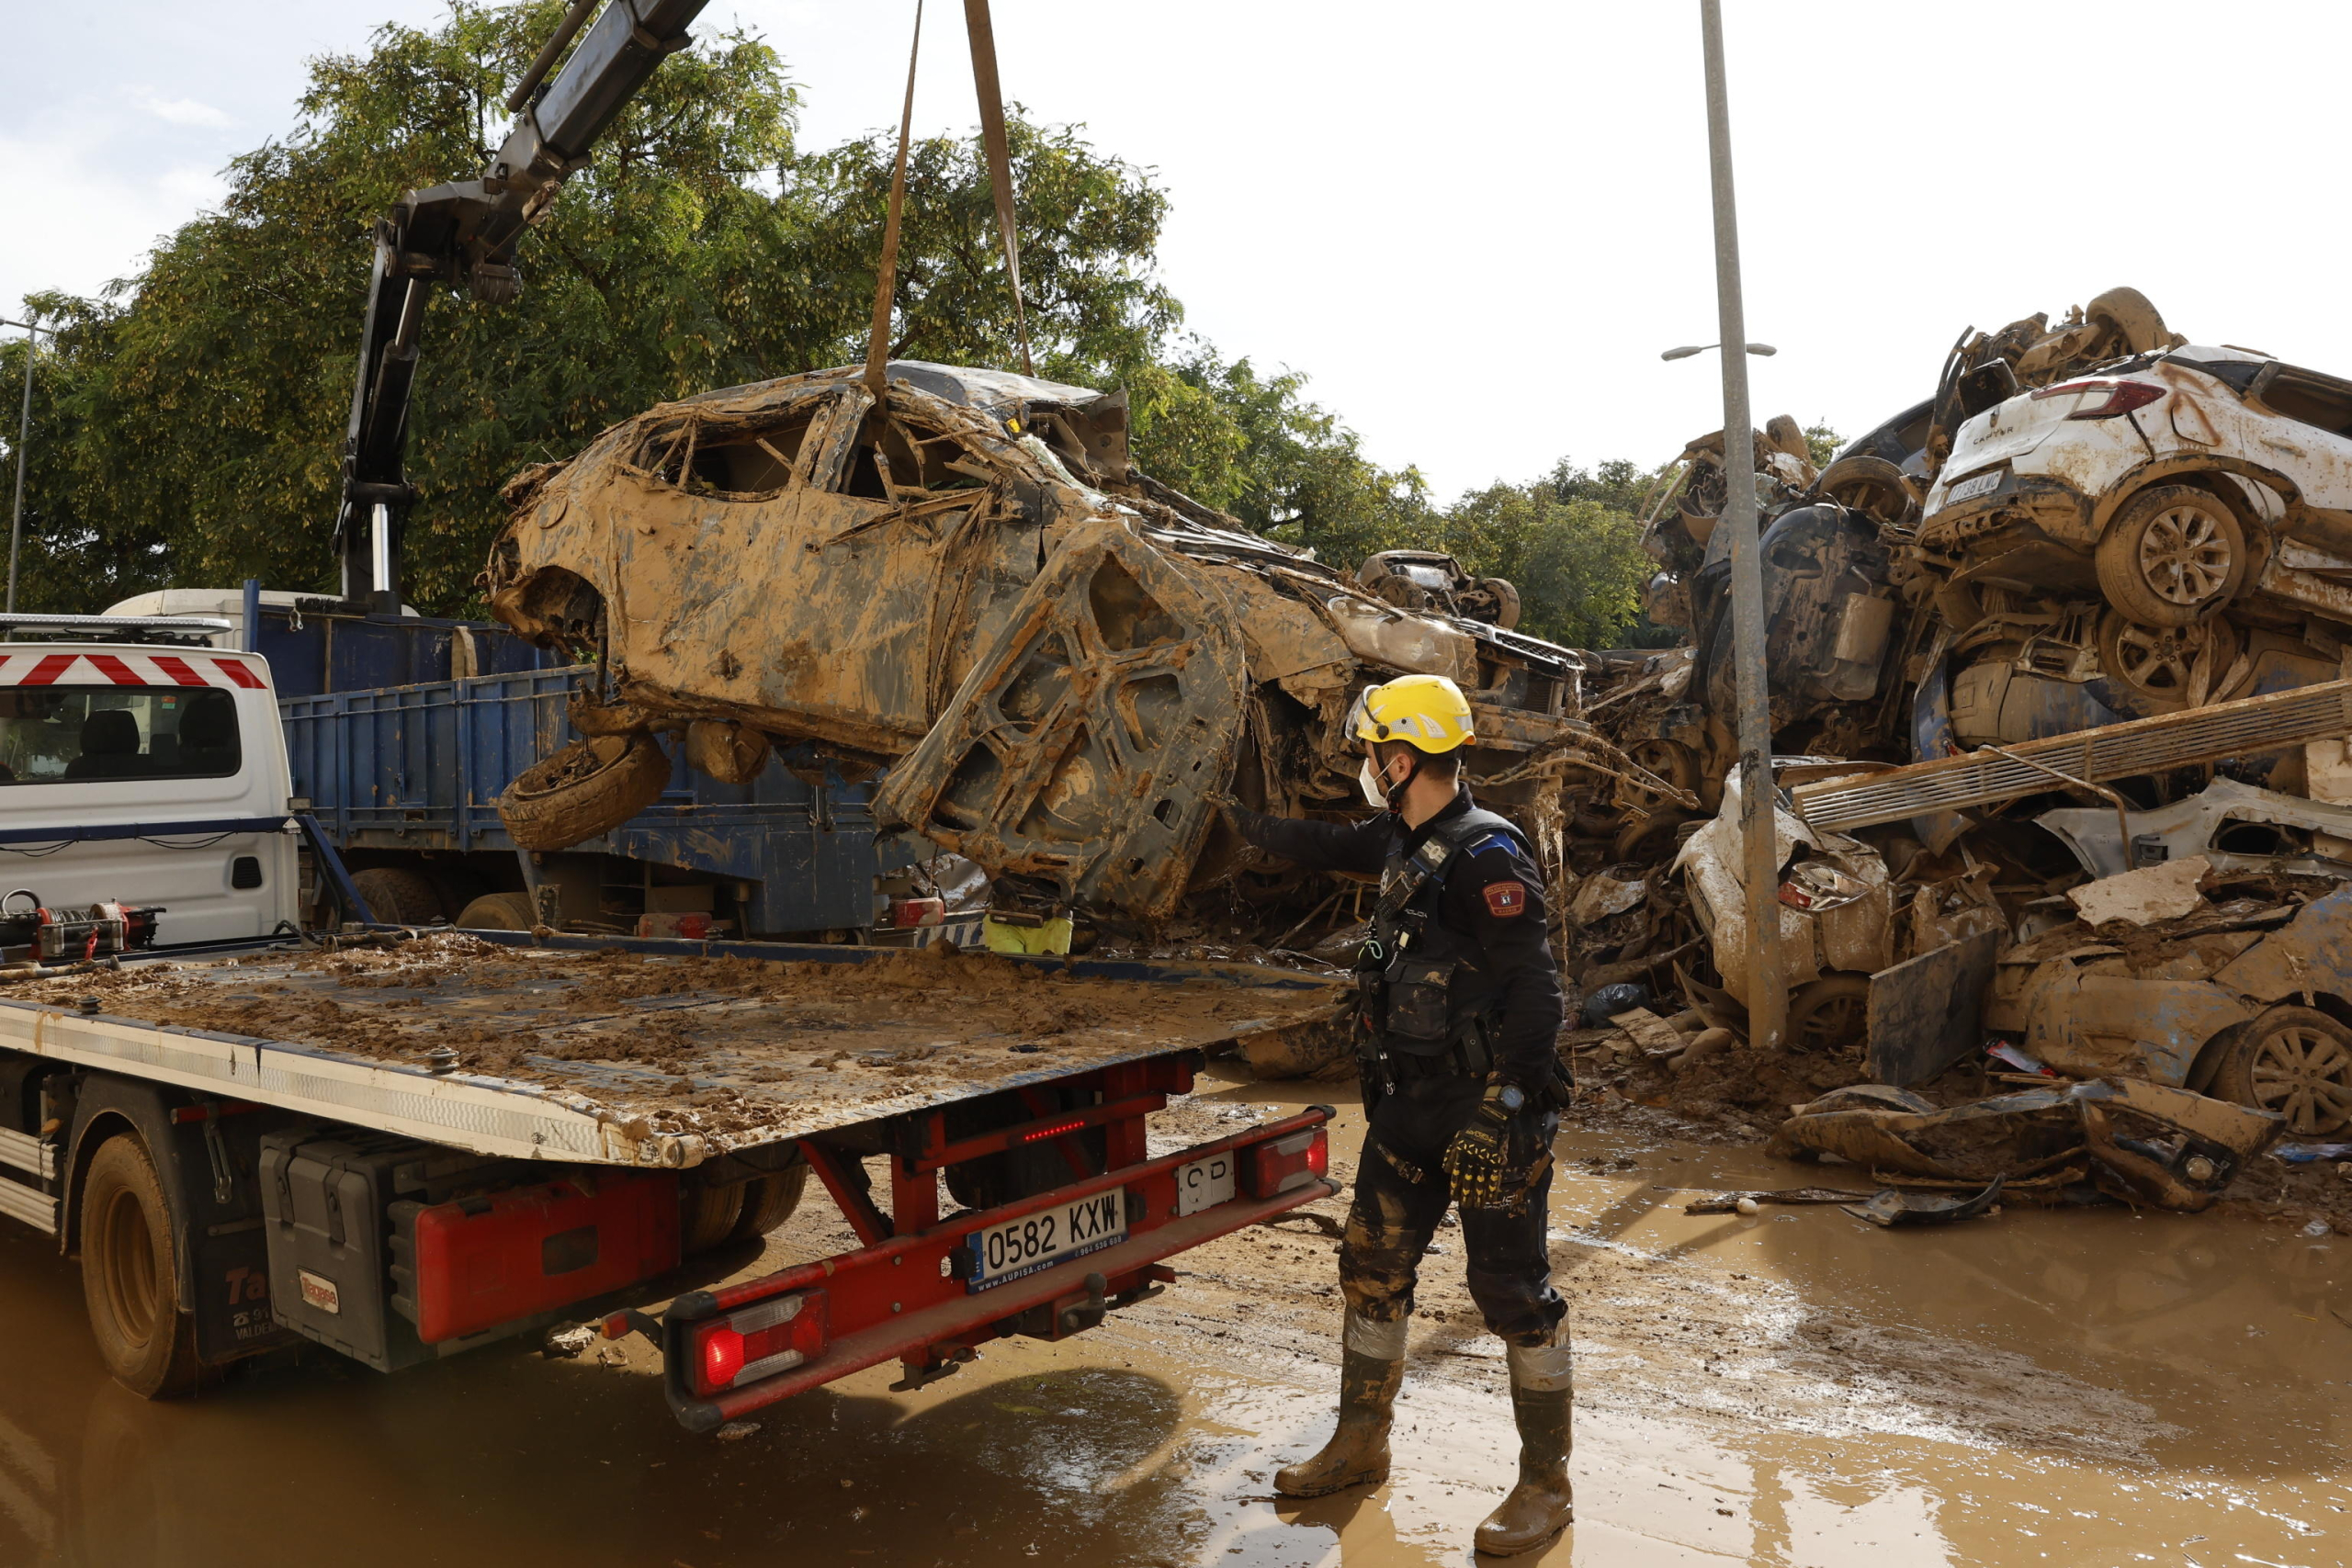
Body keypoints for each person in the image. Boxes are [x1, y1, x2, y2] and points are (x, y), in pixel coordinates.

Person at [1221, 673, 1573, 1557]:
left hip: (1486, 1110)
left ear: (1404, 755)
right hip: (1409, 1108)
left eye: (1374, 750)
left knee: (1513, 1295)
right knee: (1370, 1265)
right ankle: (1360, 1442)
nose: (1366, 765)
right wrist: (1239, 825)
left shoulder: (1488, 854)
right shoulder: (1402, 837)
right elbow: (1327, 841)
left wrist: (1510, 1104)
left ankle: (1545, 1486)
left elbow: (1537, 992)